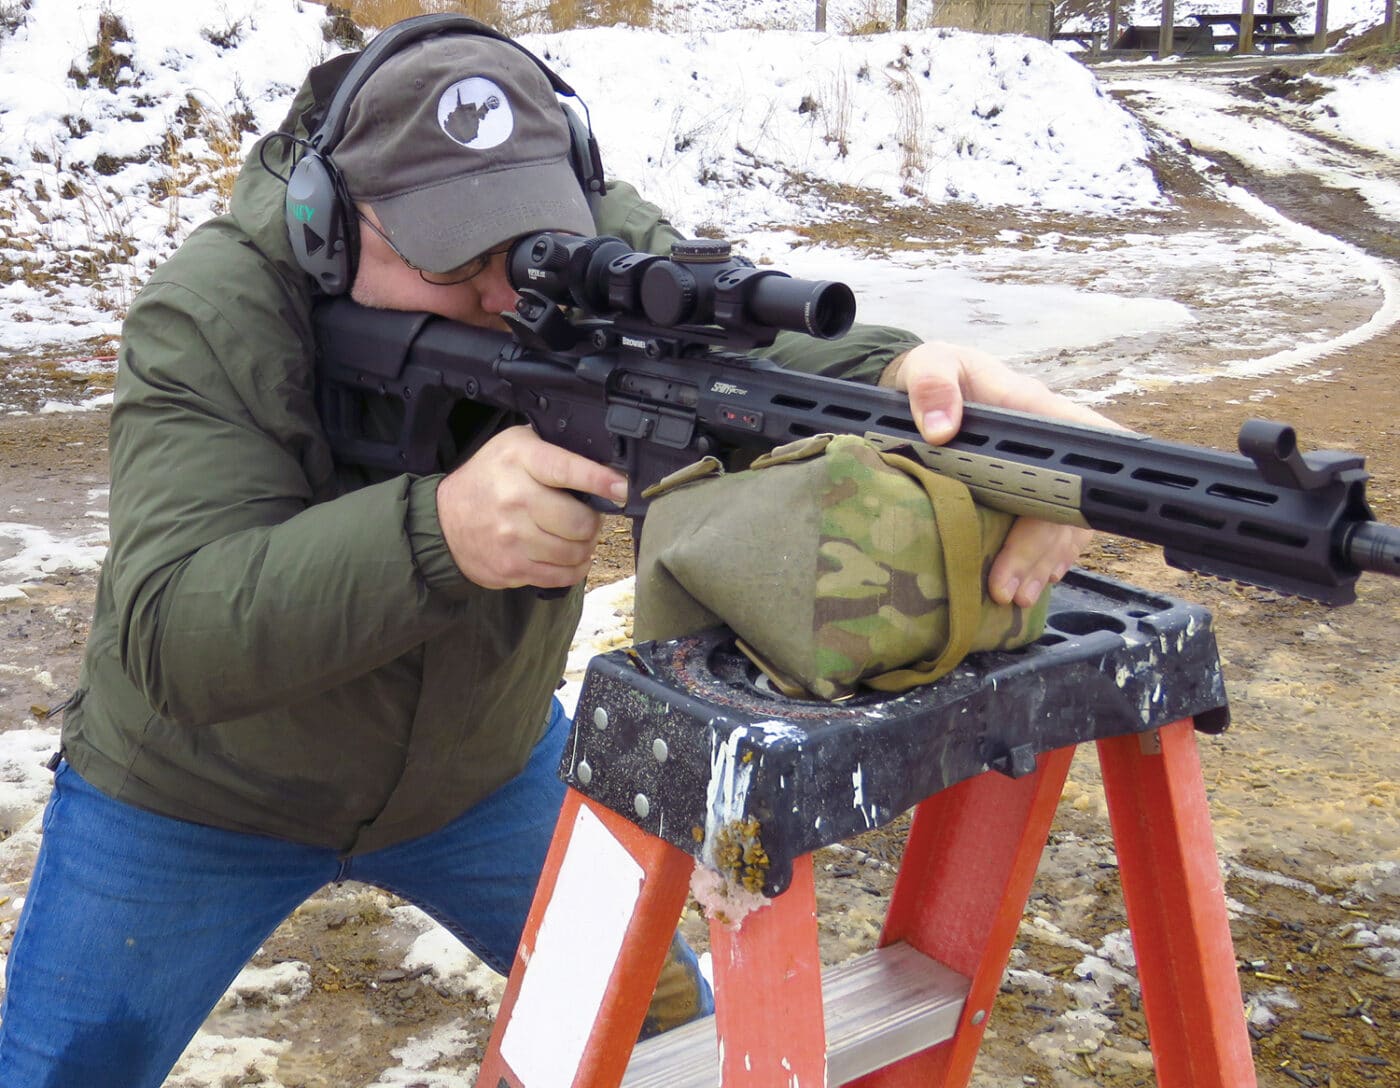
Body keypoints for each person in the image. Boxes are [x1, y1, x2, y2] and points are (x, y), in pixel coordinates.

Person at [0, 15, 1115, 1087]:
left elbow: (741, 351)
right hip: (193, 794)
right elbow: (171, 632)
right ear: (327, 227)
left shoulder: (583, 238)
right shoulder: (209, 310)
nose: (504, 294)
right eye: (455, 261)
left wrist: (913, 386)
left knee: (664, 1036)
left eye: (524, 248)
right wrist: (433, 532)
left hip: (479, 772)